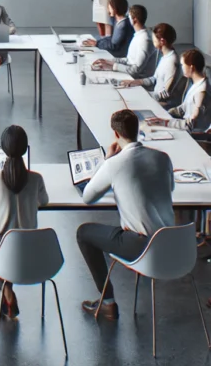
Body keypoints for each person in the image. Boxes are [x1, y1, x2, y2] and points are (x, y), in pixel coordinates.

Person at [77, 109, 174, 320]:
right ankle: (107, 303)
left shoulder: (114, 164)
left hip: (142, 246)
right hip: (173, 245)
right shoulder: (163, 158)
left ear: (116, 135)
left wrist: (106, 160)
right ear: (137, 130)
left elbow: (88, 197)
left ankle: (108, 303)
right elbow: (170, 188)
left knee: (84, 233)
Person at [0, 125, 48, 318]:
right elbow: (45, 201)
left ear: (3, 148)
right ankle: (8, 293)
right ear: (25, 149)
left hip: (5, 248)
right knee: (6, 245)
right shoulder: (36, 179)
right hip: (32, 251)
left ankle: (7, 292)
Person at [119, 23, 184, 107]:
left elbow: (166, 93)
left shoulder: (172, 61)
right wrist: (134, 82)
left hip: (161, 103)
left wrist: (146, 95)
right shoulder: (164, 56)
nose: (152, 42)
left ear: (162, 41)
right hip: (154, 97)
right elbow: (154, 79)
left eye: (154, 40)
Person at [146, 49, 211, 132]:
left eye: (183, 65)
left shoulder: (201, 92)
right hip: (184, 127)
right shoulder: (196, 84)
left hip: (192, 134)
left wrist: (166, 122)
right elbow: (183, 108)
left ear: (191, 67)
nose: (182, 68)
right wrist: (166, 113)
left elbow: (190, 124)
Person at [91, 5, 156, 79]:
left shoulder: (144, 40)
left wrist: (112, 66)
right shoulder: (138, 35)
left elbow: (135, 70)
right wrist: (107, 61)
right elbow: (129, 61)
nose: (127, 19)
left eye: (129, 17)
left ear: (134, 20)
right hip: (129, 76)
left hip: (138, 83)